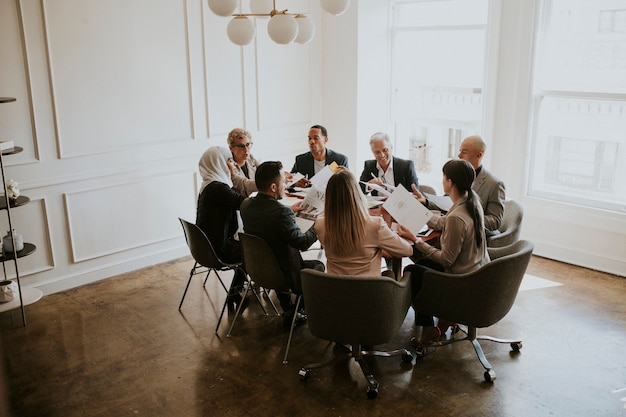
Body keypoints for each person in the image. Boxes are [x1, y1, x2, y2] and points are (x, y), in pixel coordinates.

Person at [401, 159, 490, 347]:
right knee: (421, 264)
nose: (442, 180)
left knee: (413, 272)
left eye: (444, 177)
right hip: (475, 271)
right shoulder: (471, 201)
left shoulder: (458, 216)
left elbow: (447, 259)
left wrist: (415, 240)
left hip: (460, 279)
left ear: (450, 182)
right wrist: (419, 210)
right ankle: (441, 321)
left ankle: (428, 329)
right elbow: (444, 222)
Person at [240, 161, 325, 328]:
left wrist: (290, 211)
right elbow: (302, 243)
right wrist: (317, 224)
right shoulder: (281, 213)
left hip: (258, 270)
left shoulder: (246, 205)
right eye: (283, 182)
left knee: (277, 252)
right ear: (273, 187)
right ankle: (299, 311)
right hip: (284, 275)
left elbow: (268, 217)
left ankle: (288, 310)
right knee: (317, 265)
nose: (285, 185)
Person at [315, 169, 415, 276]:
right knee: (389, 274)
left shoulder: (320, 225)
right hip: (368, 290)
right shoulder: (375, 225)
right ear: (357, 193)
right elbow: (407, 251)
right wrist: (380, 247)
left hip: (334, 289)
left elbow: (346, 246)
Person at [414, 135, 505, 235]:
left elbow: (495, 221)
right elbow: (445, 204)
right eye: (460, 150)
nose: (459, 155)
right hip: (451, 229)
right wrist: (426, 202)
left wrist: (464, 219)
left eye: (464, 151)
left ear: (479, 155)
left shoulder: (494, 184)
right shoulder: (457, 175)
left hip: (476, 236)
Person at [196, 146, 248, 312]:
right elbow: (244, 204)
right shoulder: (218, 189)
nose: (233, 165)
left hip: (204, 249)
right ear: (218, 163)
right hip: (218, 250)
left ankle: (236, 292)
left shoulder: (208, 185)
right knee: (256, 251)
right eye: (230, 161)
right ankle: (234, 292)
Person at [227, 128, 260, 197]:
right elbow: (245, 184)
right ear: (231, 148)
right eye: (241, 146)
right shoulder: (229, 165)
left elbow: (263, 170)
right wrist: (266, 184)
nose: (246, 150)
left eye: (248, 145)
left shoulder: (250, 158)